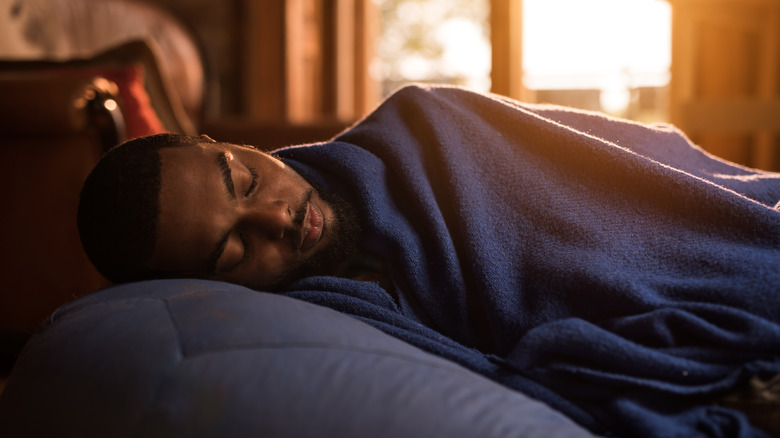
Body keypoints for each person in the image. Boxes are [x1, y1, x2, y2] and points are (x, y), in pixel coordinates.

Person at [78, 84, 780, 438]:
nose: (276, 218)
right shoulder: (332, 317)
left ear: (225, 142)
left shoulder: (427, 127)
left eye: (246, 180)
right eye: (233, 248)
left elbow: (656, 172)